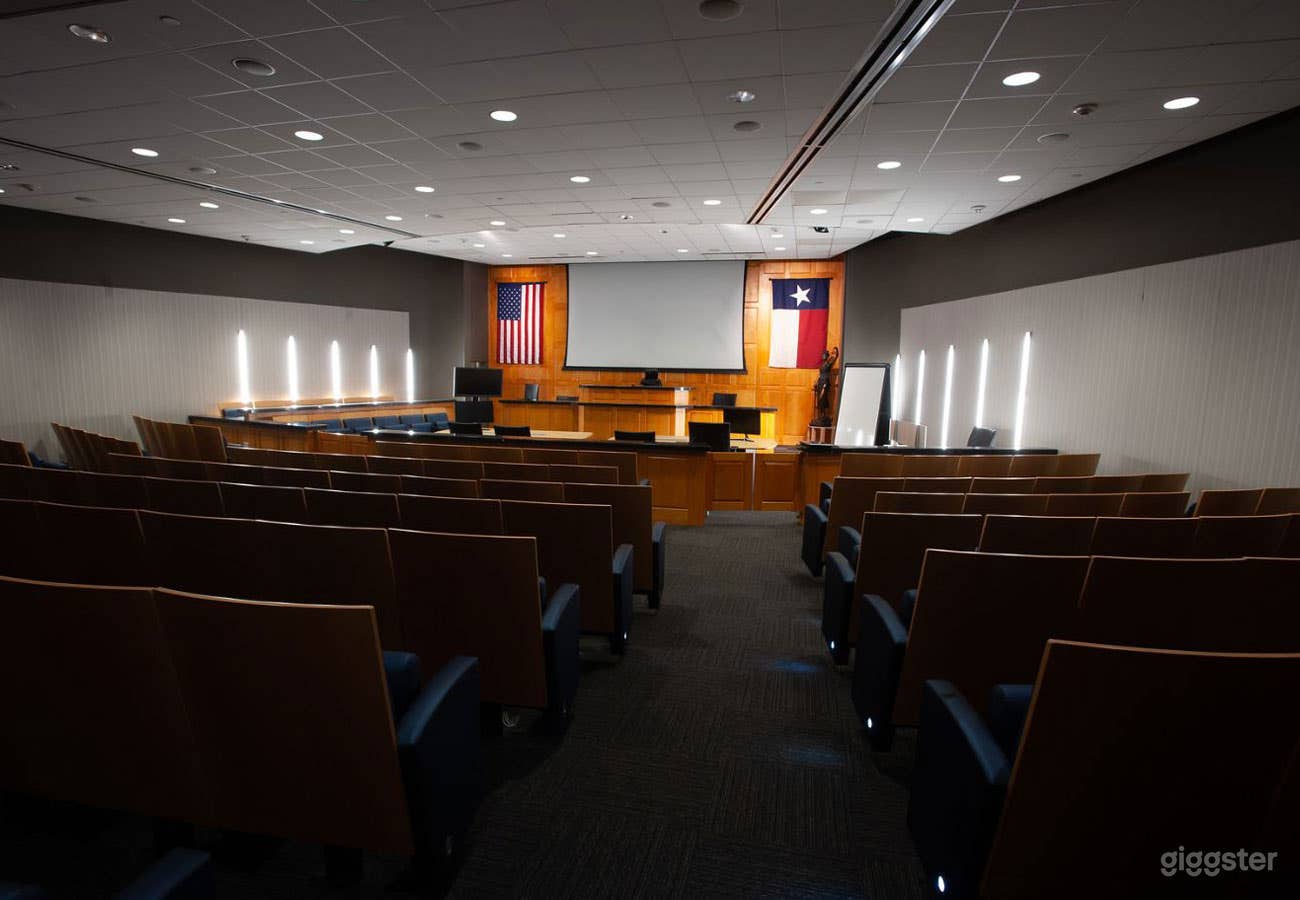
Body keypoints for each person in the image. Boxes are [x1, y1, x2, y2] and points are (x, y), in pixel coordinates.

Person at [812, 347, 840, 426]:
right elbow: (820, 374)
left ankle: (824, 416)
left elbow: (835, 357)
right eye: (823, 355)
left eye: (824, 355)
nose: (823, 356)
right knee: (820, 400)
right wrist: (817, 382)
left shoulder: (829, 363)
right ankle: (821, 417)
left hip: (825, 383)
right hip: (820, 382)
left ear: (826, 356)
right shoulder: (823, 364)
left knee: (823, 399)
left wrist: (834, 353)